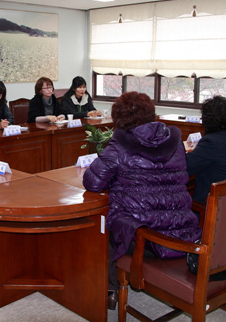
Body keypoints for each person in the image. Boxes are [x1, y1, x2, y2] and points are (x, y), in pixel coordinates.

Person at [82, 91, 201, 309]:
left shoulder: (120, 145)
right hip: (183, 230)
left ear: (119, 119)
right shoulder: (174, 141)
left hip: (144, 238)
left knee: (100, 229)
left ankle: (108, 290)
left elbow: (93, 182)